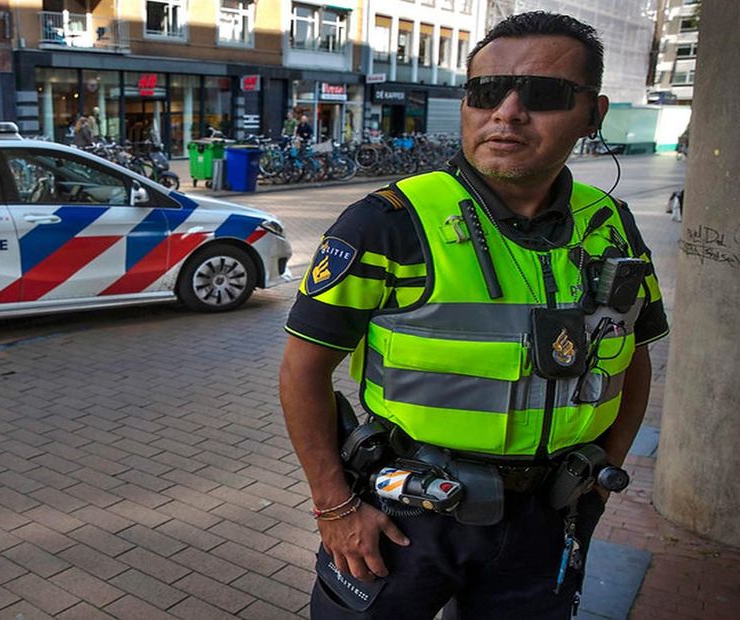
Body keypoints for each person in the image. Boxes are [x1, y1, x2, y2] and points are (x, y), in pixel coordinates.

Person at [279, 12, 668, 620]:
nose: (507, 112)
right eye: (486, 91)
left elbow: (635, 355)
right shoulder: (389, 221)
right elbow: (302, 370)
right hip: (407, 516)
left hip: (553, 512)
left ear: (595, 114)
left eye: (544, 94)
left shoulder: (611, 223)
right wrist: (334, 506)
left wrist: (601, 476)